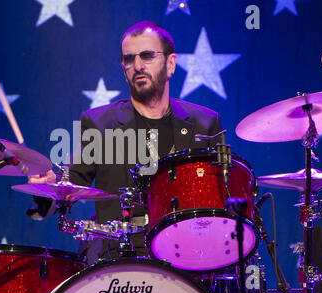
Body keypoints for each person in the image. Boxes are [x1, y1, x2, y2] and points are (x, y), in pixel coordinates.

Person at [26, 20, 222, 262]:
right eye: (129, 59)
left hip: (185, 257)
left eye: (147, 56)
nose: (137, 65)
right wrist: (48, 188)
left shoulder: (205, 123)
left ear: (171, 63)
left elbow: (218, 199)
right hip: (114, 257)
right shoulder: (99, 123)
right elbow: (70, 185)